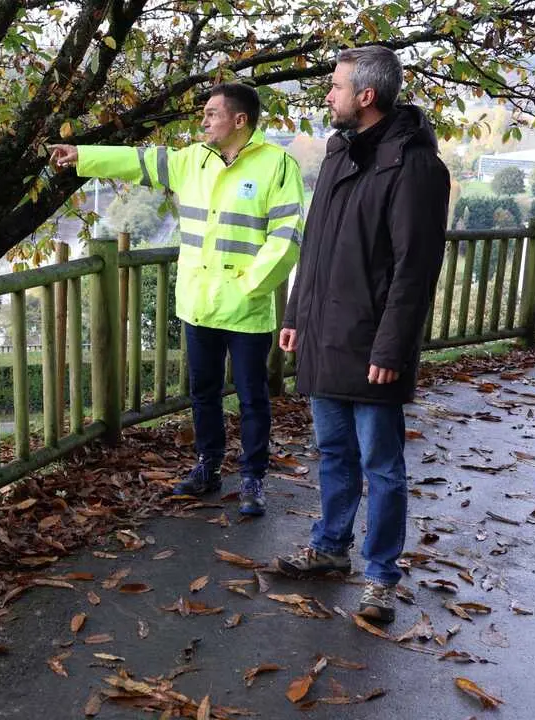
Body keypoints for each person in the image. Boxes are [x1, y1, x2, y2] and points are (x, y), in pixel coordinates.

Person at [50, 83, 304, 516]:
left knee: (252, 398)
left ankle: (253, 478)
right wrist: (82, 155)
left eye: (211, 114)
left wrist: (249, 286)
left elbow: (287, 237)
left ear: (240, 120)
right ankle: (208, 467)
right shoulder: (192, 160)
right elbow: (139, 161)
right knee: (203, 394)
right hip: (198, 304)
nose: (203, 122)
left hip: (246, 308)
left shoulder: (277, 166)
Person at [274, 46, 449, 624]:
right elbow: (315, 247)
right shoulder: (338, 153)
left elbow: (414, 269)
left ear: (366, 96)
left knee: (382, 466)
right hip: (325, 333)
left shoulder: (415, 166)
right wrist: (296, 314)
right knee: (334, 453)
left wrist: (393, 347)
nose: (328, 95)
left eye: (337, 86)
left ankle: (380, 577)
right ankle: (329, 548)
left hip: (373, 344)